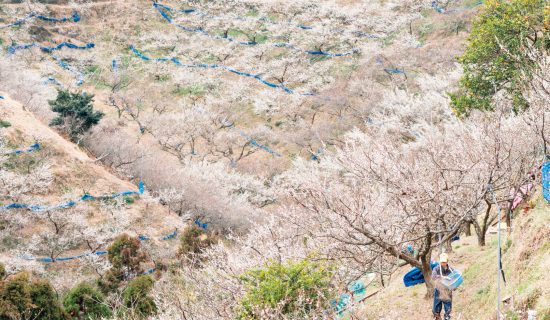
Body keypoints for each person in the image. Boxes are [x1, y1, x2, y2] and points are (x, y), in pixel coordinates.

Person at [432, 253, 453, 320]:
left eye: (444, 262)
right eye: (442, 262)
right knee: (437, 306)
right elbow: (433, 277)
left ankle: (447, 317)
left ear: (447, 261)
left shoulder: (451, 270)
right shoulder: (436, 269)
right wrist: (442, 277)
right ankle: (437, 317)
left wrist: (454, 286)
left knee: (448, 306)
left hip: (447, 290)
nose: (443, 263)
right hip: (438, 289)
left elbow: (455, 279)